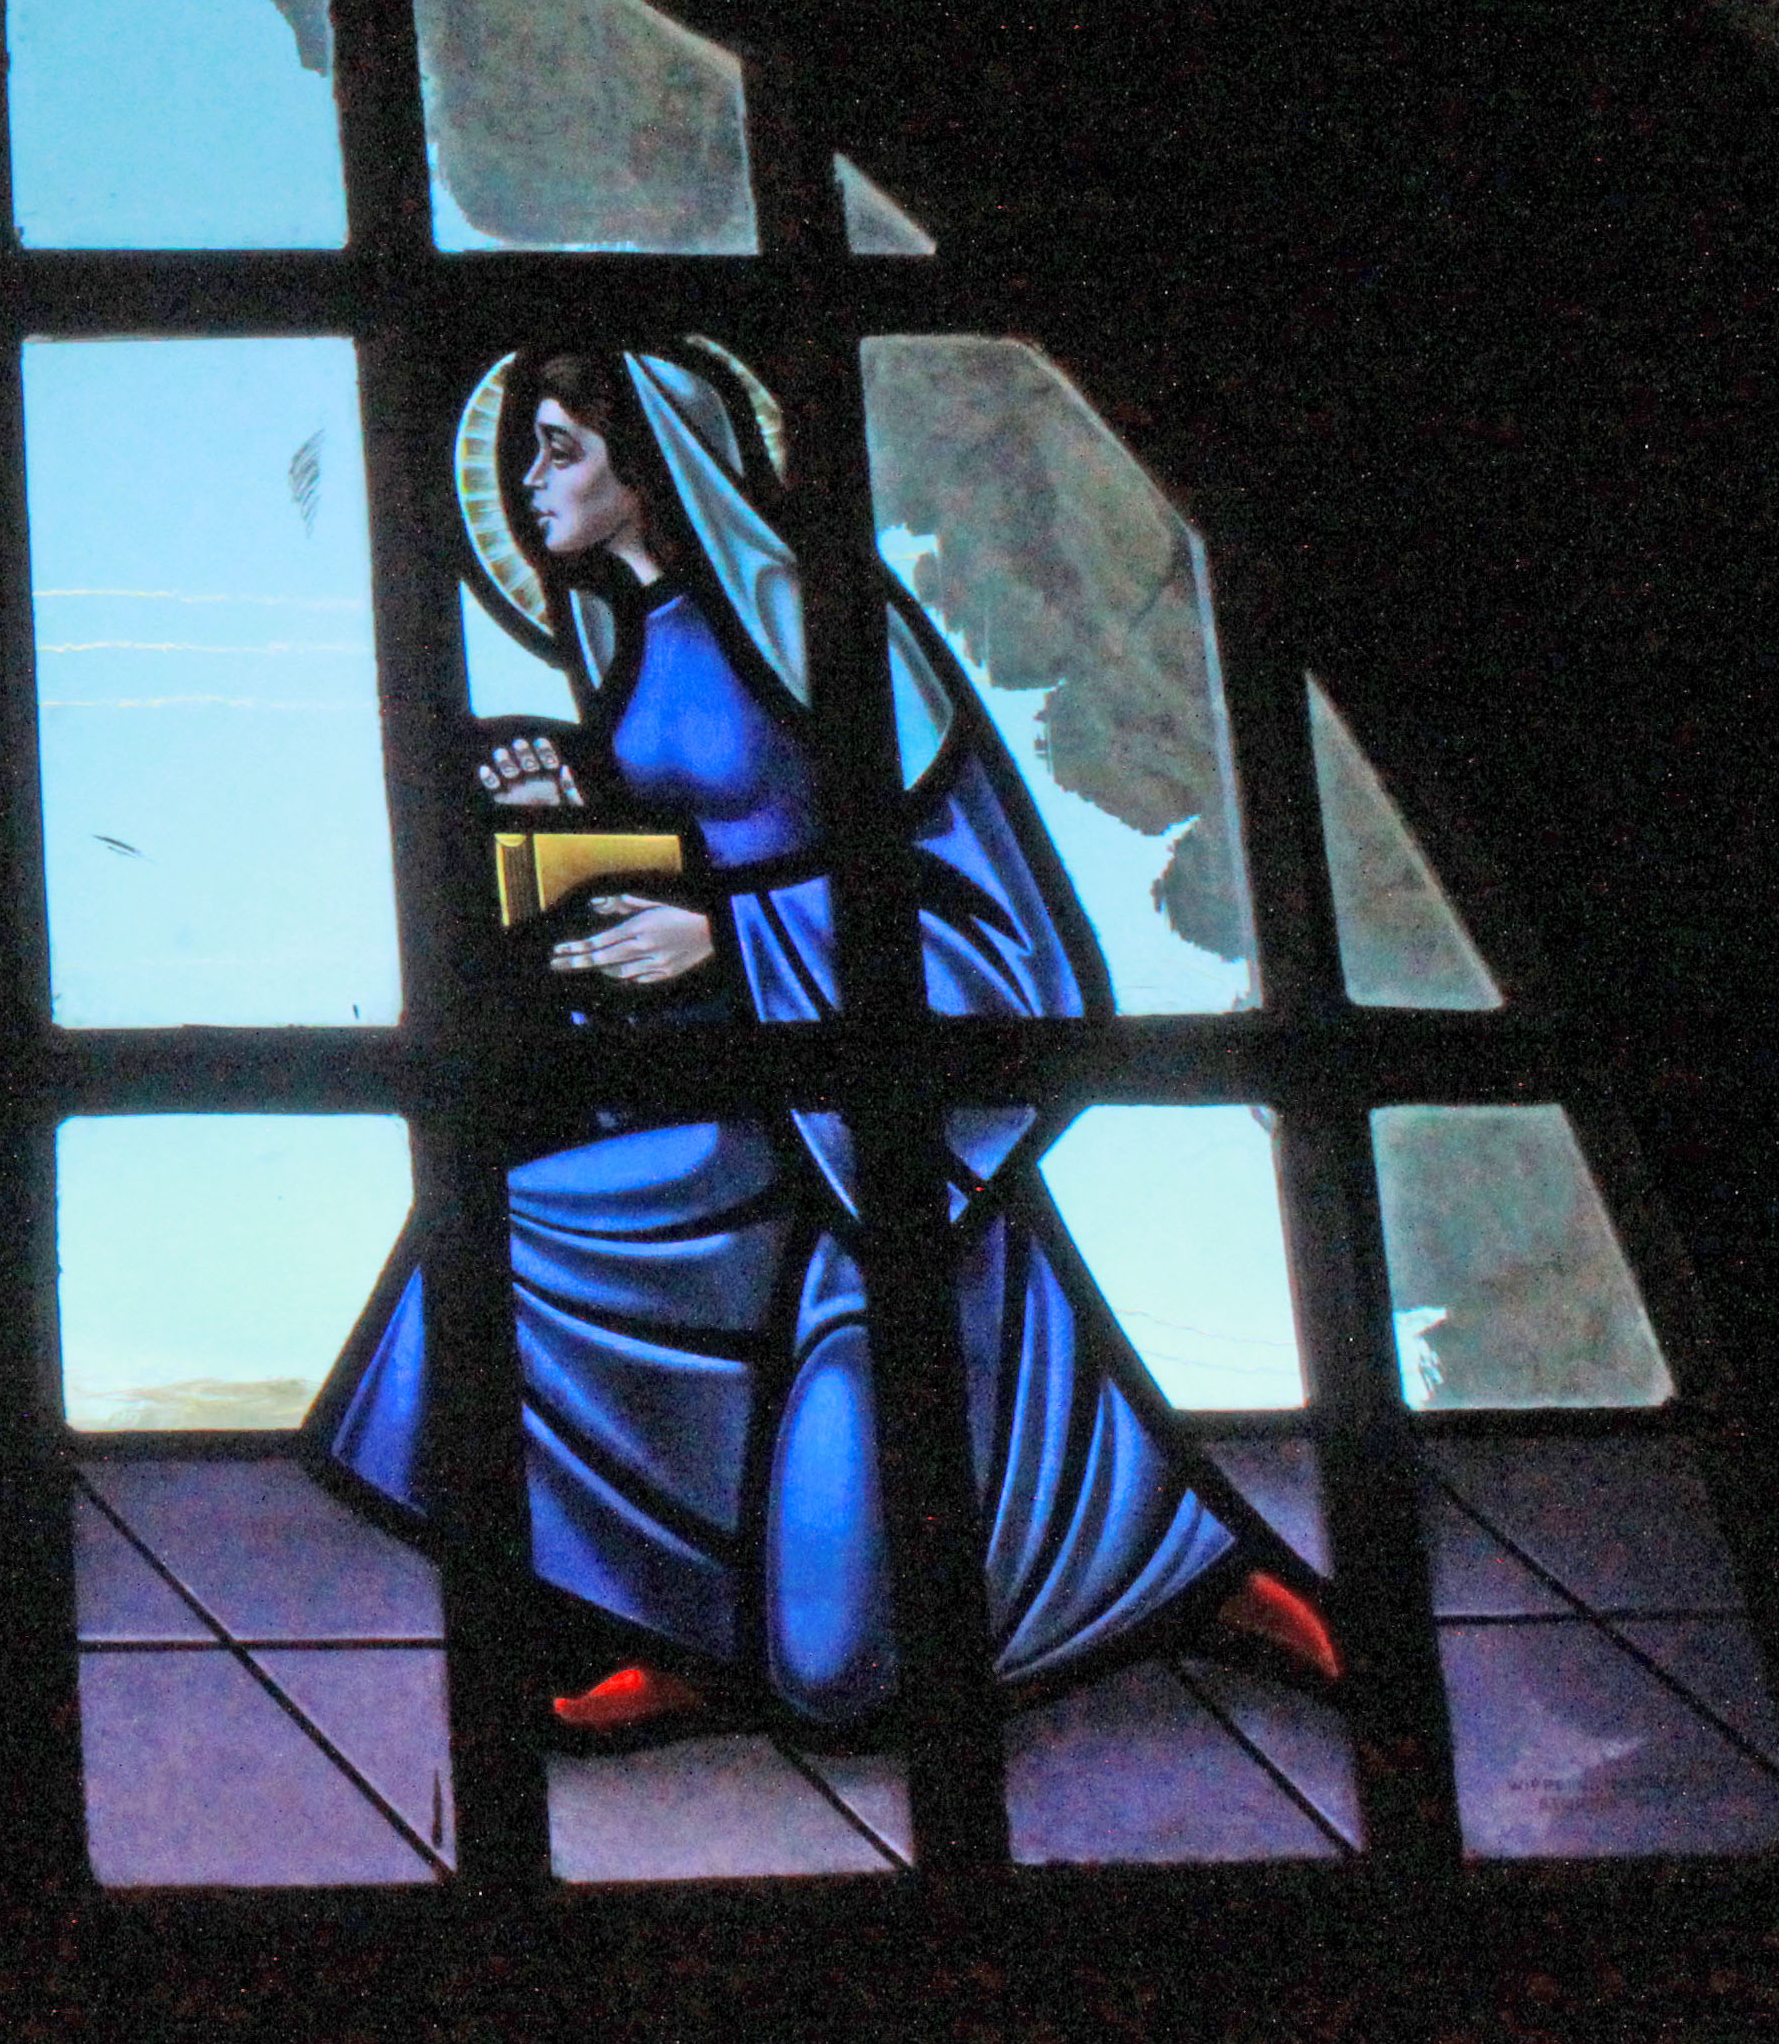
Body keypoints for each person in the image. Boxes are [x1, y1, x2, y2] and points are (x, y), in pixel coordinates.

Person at [320, 342, 1330, 1737]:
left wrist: (725, 937)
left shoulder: (813, 622)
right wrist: (572, 813)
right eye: (526, 453)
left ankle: (1188, 1583)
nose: (527, 482)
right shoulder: (629, 639)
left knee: (839, 1651)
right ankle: (671, 1620)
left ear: (652, 461)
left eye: (558, 448)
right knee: (488, 1249)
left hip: (864, 1141)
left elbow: (984, 919)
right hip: (747, 1105)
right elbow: (709, 847)